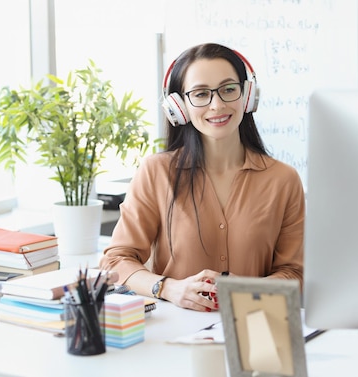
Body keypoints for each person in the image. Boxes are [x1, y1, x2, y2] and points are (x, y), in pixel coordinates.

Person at [99, 43, 305, 312]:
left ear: (247, 95)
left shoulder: (283, 180)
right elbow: (116, 260)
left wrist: (241, 292)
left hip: (254, 325)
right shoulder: (155, 172)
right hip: (174, 331)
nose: (217, 105)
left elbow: (294, 274)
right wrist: (168, 287)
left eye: (229, 89)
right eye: (200, 94)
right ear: (179, 106)